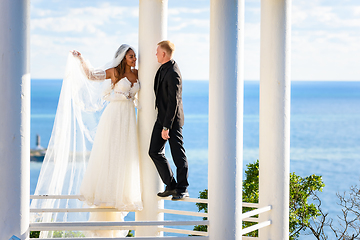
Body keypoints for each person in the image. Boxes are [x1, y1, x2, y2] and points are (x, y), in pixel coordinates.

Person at [72, 44, 143, 237]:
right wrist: (81, 60)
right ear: (122, 58)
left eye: (135, 56)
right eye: (130, 56)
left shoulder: (138, 74)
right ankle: (104, 205)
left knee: (124, 159)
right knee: (110, 156)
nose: (134, 59)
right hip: (113, 117)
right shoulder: (114, 72)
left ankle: (119, 198)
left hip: (129, 118)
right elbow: (91, 76)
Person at [149, 40, 189, 200]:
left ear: (164, 53)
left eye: (157, 51)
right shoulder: (163, 68)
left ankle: (183, 188)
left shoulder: (173, 72)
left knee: (178, 154)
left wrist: (167, 126)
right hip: (162, 118)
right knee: (154, 151)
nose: (155, 54)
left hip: (172, 121)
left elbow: (174, 101)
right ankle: (171, 185)